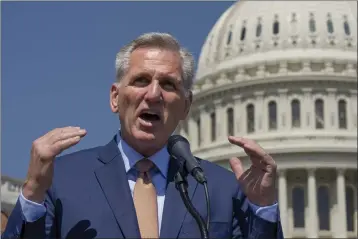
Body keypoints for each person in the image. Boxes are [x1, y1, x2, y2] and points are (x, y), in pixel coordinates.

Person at [2, 32, 284, 239]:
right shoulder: (60, 181)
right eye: (141, 80)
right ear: (115, 98)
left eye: (168, 84)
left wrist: (263, 210)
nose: (154, 94)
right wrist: (33, 194)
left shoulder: (220, 188)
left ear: (186, 106)